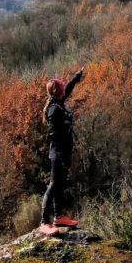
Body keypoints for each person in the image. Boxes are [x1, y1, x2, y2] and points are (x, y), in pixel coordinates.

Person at [40, 67, 84, 229]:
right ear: (58, 91)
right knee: (53, 185)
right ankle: (44, 221)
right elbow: (55, 133)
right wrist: (67, 120)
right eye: (62, 87)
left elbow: (69, 89)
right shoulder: (53, 109)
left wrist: (77, 77)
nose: (64, 88)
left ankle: (59, 217)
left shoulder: (58, 103)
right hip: (57, 154)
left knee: (59, 185)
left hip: (63, 154)